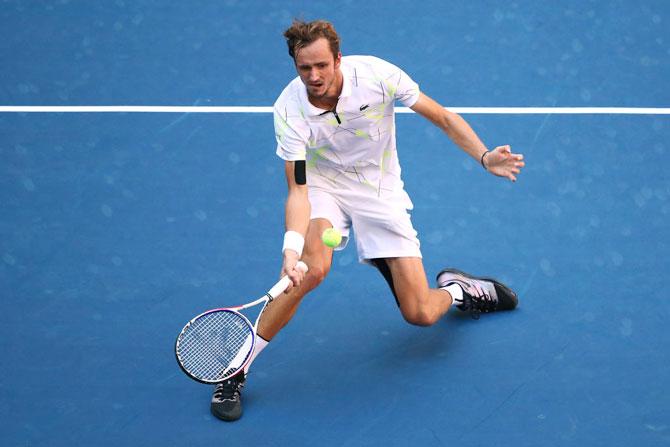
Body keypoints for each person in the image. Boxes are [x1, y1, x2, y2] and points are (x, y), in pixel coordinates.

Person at [211, 19, 525, 421]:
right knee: (310, 271)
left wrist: (484, 156)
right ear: (295, 65)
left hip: (380, 192)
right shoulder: (289, 110)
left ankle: (461, 291)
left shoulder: (378, 75)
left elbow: (442, 117)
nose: (314, 76)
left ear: (338, 58)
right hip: (325, 189)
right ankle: (234, 369)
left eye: (322, 65)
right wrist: (291, 249)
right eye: (304, 68)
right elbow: (299, 190)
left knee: (421, 314)